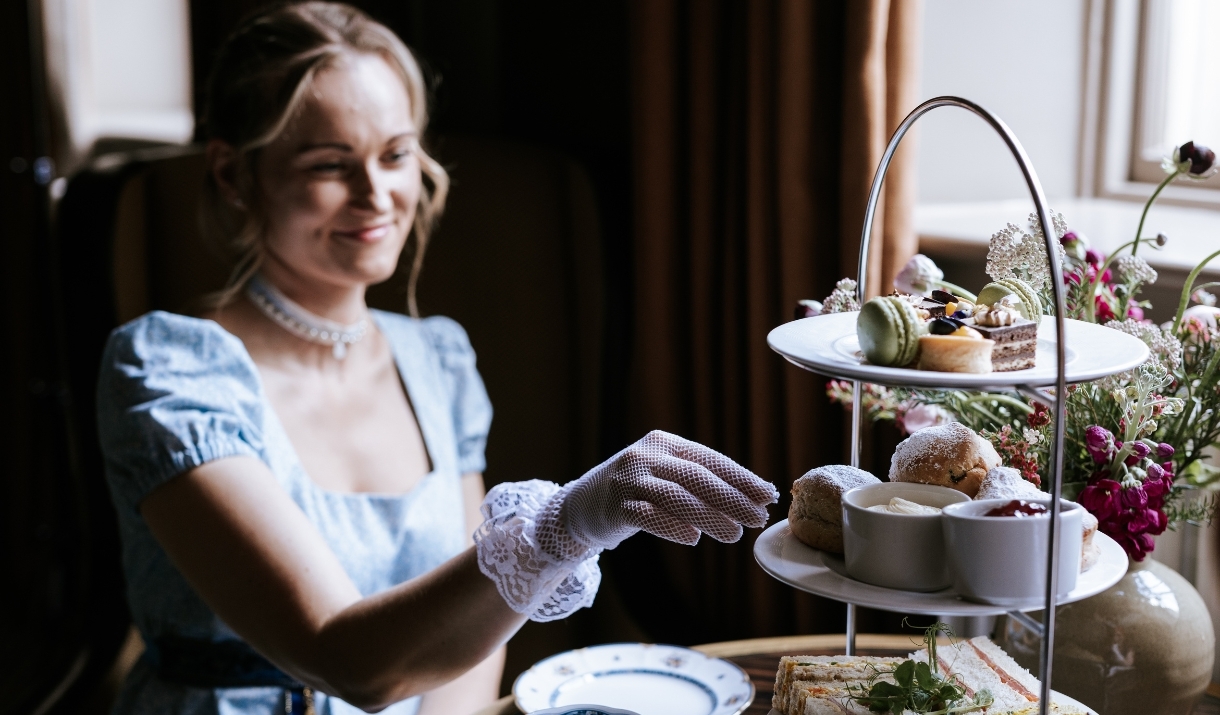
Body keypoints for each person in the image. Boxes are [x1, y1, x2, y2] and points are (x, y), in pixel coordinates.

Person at [96, 3, 778, 714]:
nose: (376, 193)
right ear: (234, 175)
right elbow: (340, 654)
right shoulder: (169, 372)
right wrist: (563, 527)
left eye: (394, 154)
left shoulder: (438, 360)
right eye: (330, 163)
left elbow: (467, 647)